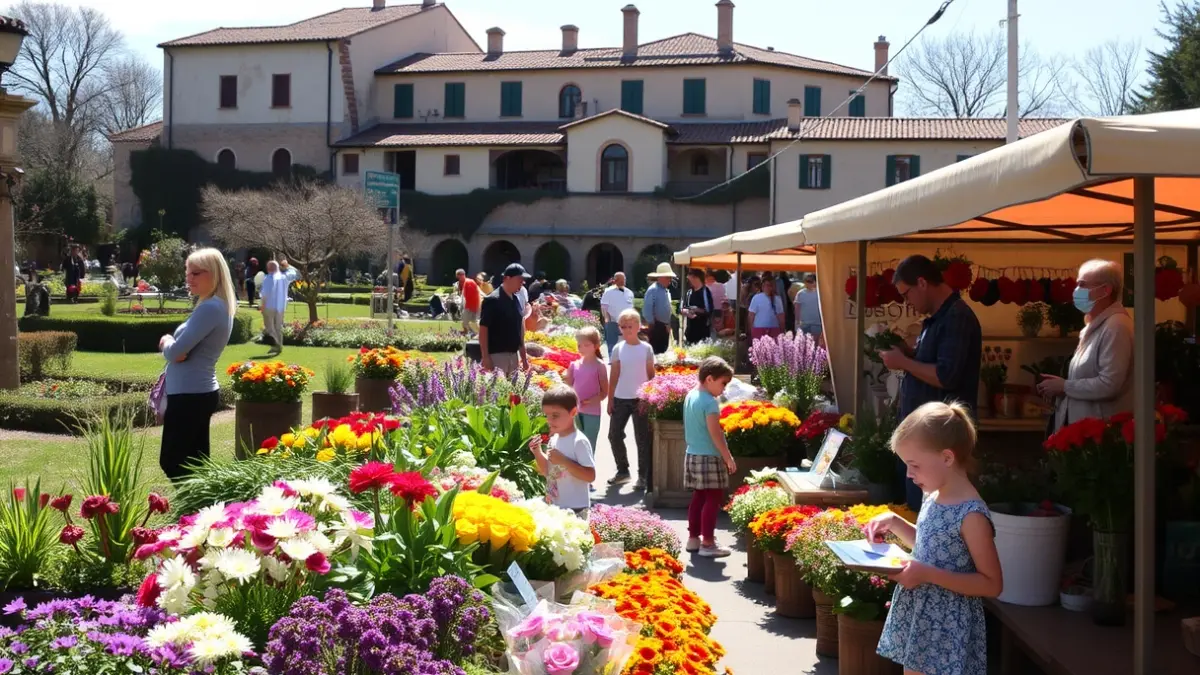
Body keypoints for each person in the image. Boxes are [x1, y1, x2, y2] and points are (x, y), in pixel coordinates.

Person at [868, 401, 1003, 675]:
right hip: (924, 622)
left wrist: (926, 574)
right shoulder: (934, 494)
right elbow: (932, 545)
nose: (909, 474)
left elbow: (992, 584)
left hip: (949, 631)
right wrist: (895, 523)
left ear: (947, 458)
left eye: (914, 465)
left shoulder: (971, 515)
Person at [879, 254, 982, 511]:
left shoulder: (956, 317)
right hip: (928, 442)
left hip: (939, 442)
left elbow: (946, 376)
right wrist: (908, 353)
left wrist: (903, 362)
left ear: (922, 282)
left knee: (932, 513)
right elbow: (933, 366)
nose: (907, 302)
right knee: (920, 511)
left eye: (906, 294)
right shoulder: (936, 318)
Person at [157, 248, 236, 482]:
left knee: (172, 460)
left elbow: (176, 352)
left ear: (214, 274)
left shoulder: (211, 308)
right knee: (195, 463)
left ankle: (194, 510)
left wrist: (166, 341)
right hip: (195, 392)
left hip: (190, 395)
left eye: (196, 273)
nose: (188, 279)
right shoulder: (213, 305)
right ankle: (198, 513)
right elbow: (179, 353)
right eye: (187, 272)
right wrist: (174, 349)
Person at [1036, 259, 1133, 433]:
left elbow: (1109, 383)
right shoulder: (1097, 326)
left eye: (1082, 285)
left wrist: (1065, 386)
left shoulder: (1116, 327)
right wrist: (1061, 388)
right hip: (1085, 433)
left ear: (1105, 290)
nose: (1076, 291)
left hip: (1101, 435)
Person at [683, 357, 738, 558]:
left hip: (692, 454)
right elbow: (716, 435)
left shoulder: (691, 395)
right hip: (709, 457)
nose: (723, 389)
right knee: (713, 499)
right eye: (723, 383)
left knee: (698, 496)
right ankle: (708, 542)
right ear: (709, 379)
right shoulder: (710, 403)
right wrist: (728, 457)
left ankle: (693, 539)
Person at [529, 386, 596, 517]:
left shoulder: (578, 441)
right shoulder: (554, 439)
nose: (549, 420)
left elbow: (590, 476)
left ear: (573, 412)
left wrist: (564, 461)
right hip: (555, 507)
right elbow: (548, 472)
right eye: (547, 415)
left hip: (576, 509)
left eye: (555, 415)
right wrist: (537, 452)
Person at [608, 309, 655, 490]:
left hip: (640, 399)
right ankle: (623, 471)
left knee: (642, 438)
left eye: (630, 326)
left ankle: (642, 477)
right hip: (621, 398)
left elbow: (651, 375)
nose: (627, 329)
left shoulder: (646, 348)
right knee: (614, 435)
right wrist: (610, 399)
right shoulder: (618, 349)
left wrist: (649, 397)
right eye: (623, 326)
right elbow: (614, 375)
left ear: (638, 326)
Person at [565, 326, 608, 469]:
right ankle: (577, 475)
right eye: (579, 345)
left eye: (586, 345)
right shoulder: (574, 365)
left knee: (589, 443)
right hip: (576, 411)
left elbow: (604, 392)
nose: (582, 348)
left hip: (592, 412)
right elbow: (568, 388)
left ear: (596, 346)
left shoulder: (599, 366)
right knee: (575, 443)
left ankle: (588, 474)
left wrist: (590, 401)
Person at [479, 263, 530, 374]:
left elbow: (520, 330)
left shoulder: (516, 300)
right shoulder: (492, 300)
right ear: (507, 278)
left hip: (513, 356)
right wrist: (485, 357)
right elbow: (483, 329)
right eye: (520, 279)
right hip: (497, 356)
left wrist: (524, 358)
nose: (523, 283)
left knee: (512, 391)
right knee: (497, 390)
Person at [643, 263, 675, 354]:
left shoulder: (664, 290)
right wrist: (652, 323)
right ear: (660, 277)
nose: (670, 280)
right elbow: (647, 309)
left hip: (663, 326)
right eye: (668, 277)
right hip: (656, 326)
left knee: (662, 351)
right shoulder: (653, 290)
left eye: (670, 278)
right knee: (656, 351)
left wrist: (667, 324)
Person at [600, 272, 635, 359]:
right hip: (613, 321)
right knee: (612, 343)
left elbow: (631, 307)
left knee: (627, 343)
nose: (623, 281)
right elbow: (604, 306)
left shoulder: (629, 293)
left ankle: (625, 360)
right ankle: (612, 360)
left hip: (627, 323)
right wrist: (607, 318)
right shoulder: (608, 292)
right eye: (620, 279)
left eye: (624, 279)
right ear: (615, 280)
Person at [260, 260, 288, 356]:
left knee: (269, 327)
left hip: (269, 306)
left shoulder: (268, 278)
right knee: (278, 327)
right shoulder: (284, 278)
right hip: (281, 306)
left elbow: (265, 294)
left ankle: (277, 344)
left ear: (269, 268)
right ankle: (279, 345)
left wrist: (262, 306)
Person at [682, 269, 713, 344]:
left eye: (690, 279)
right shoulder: (689, 292)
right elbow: (682, 307)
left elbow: (709, 310)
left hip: (702, 331)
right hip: (690, 332)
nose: (689, 281)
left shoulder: (705, 291)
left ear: (696, 278)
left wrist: (697, 310)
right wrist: (685, 311)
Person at [795, 273, 823, 342]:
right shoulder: (800, 293)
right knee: (804, 346)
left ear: (816, 282)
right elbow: (797, 308)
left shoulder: (820, 293)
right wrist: (797, 323)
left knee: (815, 345)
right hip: (804, 324)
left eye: (811, 281)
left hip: (817, 324)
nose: (808, 283)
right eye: (807, 281)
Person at [456, 268, 481, 336]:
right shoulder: (467, 282)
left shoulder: (468, 282)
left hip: (470, 306)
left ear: (462, 275)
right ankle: (469, 333)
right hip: (470, 306)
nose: (458, 279)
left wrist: (472, 308)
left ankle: (475, 333)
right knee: (468, 322)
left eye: (458, 277)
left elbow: (472, 296)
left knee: (466, 321)